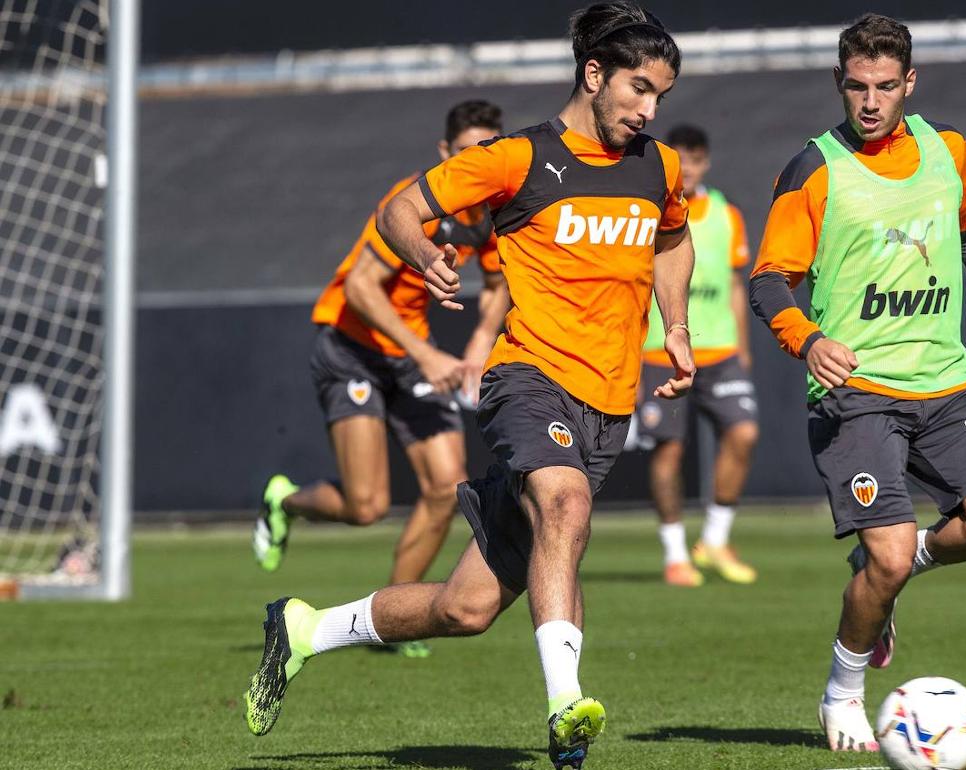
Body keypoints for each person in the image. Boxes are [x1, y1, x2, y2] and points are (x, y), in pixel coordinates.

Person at [243, 5, 693, 769]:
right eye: (639, 89)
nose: (650, 109)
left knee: (469, 605)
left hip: (608, 402)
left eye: (661, 96)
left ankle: (308, 629)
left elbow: (674, 239)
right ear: (594, 75)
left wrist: (674, 324)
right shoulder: (517, 159)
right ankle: (564, 714)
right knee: (566, 504)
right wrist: (422, 253)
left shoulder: (660, 167)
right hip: (528, 380)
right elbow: (401, 210)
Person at [749, 13, 966, 753]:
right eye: (856, 86)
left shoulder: (949, 149)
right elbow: (770, 280)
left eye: (885, 86)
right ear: (839, 84)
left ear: (910, 82)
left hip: (943, 381)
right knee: (884, 553)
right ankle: (842, 693)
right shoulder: (813, 167)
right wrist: (807, 340)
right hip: (858, 394)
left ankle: (902, 557)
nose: (870, 101)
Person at [251, 100, 510, 659]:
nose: (477, 161)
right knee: (366, 507)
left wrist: (473, 348)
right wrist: (428, 353)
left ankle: (391, 622)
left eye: (488, 149)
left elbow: (497, 287)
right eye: (466, 150)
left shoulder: (492, 214)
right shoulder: (411, 203)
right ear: (445, 153)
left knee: (447, 488)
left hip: (412, 356)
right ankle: (285, 502)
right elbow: (361, 290)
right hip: (353, 350)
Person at [636, 124, 759, 587]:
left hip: (721, 350)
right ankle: (673, 554)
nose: (687, 168)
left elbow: (732, 285)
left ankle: (715, 538)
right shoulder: (647, 211)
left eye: (695, 160)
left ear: (706, 163)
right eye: (679, 160)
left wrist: (743, 350)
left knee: (744, 433)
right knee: (668, 453)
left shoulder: (727, 215)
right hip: (659, 351)